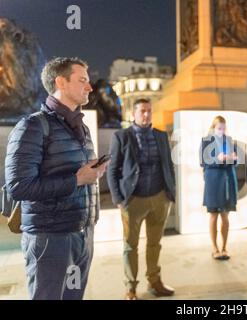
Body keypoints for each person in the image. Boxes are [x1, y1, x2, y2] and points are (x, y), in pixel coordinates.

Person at [5, 57, 107, 300]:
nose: (90, 87)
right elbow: (18, 187)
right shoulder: (32, 126)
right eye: (82, 80)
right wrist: (77, 180)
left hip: (83, 232)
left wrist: (93, 173)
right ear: (61, 82)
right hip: (50, 238)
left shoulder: (82, 127)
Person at [107, 98, 176, 300]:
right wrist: (119, 199)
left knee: (155, 243)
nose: (146, 115)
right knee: (130, 246)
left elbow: (168, 167)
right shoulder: (122, 136)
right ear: (134, 114)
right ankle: (131, 287)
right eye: (142, 111)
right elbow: (112, 170)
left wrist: (169, 193)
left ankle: (154, 282)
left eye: (149, 111)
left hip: (159, 198)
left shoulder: (161, 136)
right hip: (133, 200)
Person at [200, 116, 238, 260]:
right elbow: (203, 162)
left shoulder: (229, 140)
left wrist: (233, 158)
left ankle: (224, 248)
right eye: (219, 128)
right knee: (214, 215)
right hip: (213, 181)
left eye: (223, 128)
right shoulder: (206, 142)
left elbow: (235, 161)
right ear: (213, 128)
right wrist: (218, 159)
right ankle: (215, 248)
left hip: (228, 180)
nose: (222, 131)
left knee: (225, 215)